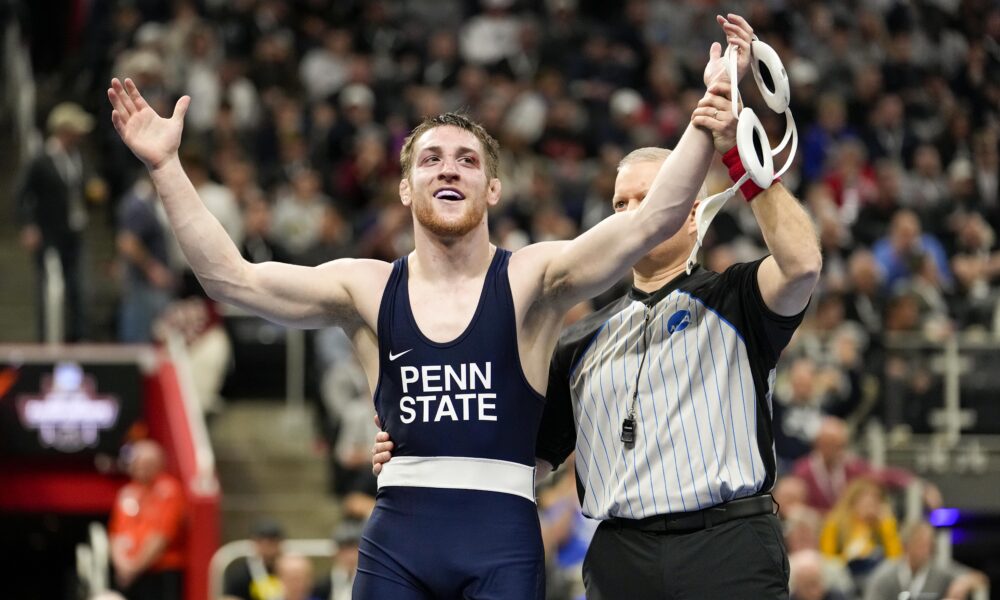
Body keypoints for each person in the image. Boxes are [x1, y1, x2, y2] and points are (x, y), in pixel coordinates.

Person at [106, 12, 742, 596]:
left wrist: (708, 110)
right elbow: (231, 280)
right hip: (397, 543)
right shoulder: (366, 287)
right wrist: (165, 165)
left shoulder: (533, 277)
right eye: (431, 160)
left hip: (502, 540)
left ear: (492, 189)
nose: (448, 170)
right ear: (406, 189)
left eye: (467, 161)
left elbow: (653, 220)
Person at [374, 15, 822, 598]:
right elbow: (522, 460)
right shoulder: (578, 339)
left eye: (648, 199)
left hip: (728, 546)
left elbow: (802, 265)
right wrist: (414, 444)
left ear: (690, 210)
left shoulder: (736, 297)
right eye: (620, 202)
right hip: (618, 554)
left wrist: (743, 161)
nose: (632, 213)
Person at [15, 102, 96, 342]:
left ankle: (77, 339)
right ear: (64, 130)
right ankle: (46, 338)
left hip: (74, 231)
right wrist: (29, 225)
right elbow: (21, 194)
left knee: (78, 288)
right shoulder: (41, 159)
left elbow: (81, 188)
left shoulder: (78, 157)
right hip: (49, 233)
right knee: (49, 288)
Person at [108, 439, 186, 600]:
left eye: (148, 463)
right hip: (126, 573)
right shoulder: (127, 492)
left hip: (159, 572)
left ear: (159, 464)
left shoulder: (168, 491)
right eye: (138, 462)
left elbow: (161, 536)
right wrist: (122, 565)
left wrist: (134, 568)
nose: (142, 468)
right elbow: (116, 533)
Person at [863, 519, 989, 600]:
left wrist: (961, 584)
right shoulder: (885, 575)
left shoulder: (939, 571)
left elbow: (979, 577)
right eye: (920, 545)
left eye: (929, 545)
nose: (926, 550)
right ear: (906, 546)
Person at [222, 519, 284, 600]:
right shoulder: (240, 573)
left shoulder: (289, 570)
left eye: (271, 542)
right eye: (261, 542)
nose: (267, 548)